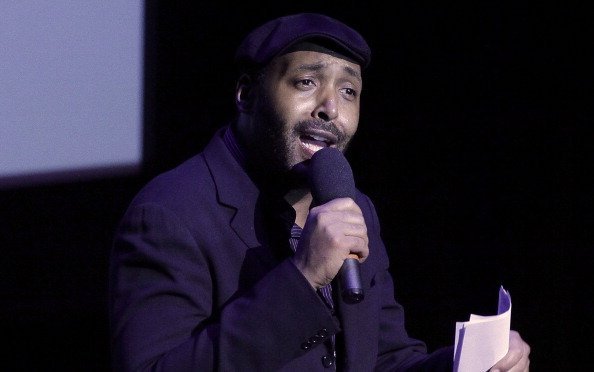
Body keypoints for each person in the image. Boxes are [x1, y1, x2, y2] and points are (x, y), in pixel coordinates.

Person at [109, 12, 531, 371]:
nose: (330, 108)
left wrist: (467, 365)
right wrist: (303, 277)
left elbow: (383, 358)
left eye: (349, 91)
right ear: (247, 94)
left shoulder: (350, 207)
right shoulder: (169, 214)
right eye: (307, 82)